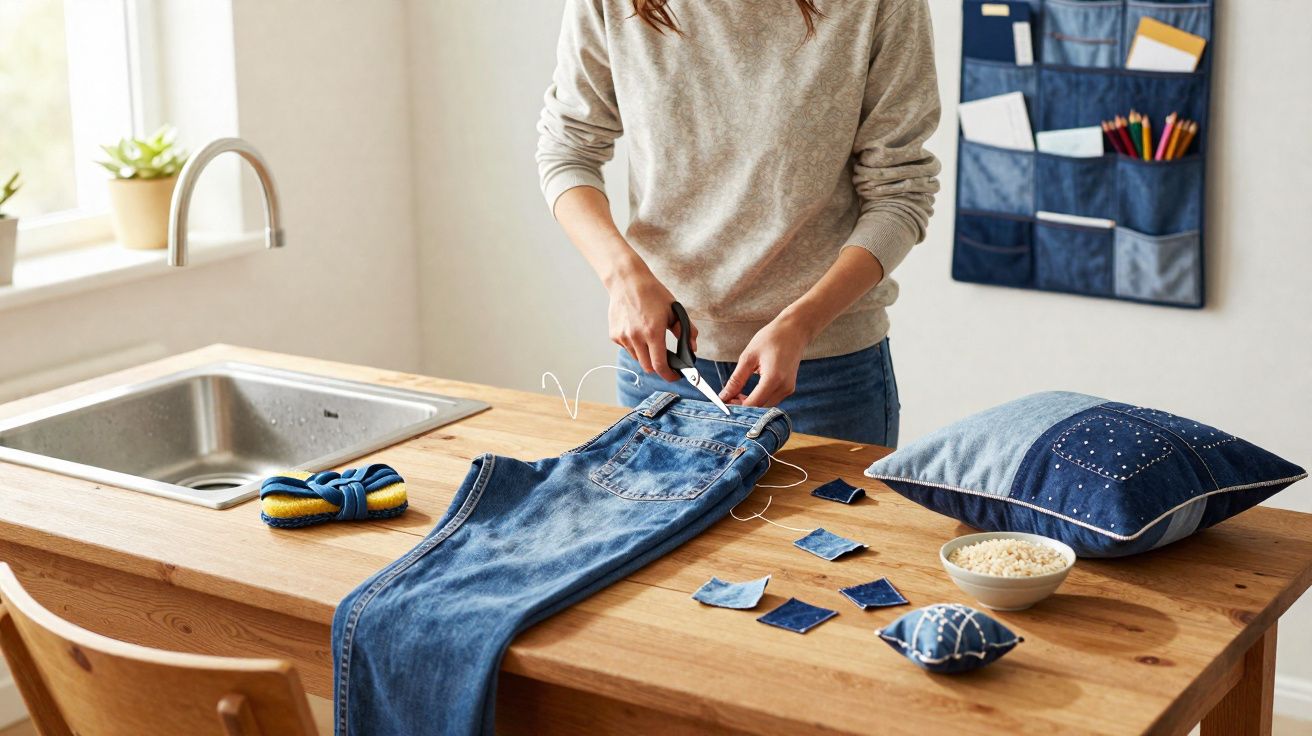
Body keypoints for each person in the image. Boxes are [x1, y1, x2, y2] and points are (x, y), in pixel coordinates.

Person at [536, 0, 940, 446]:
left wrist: (803, 322)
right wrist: (623, 278)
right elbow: (567, 151)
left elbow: (900, 192)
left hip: (825, 373)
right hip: (662, 362)